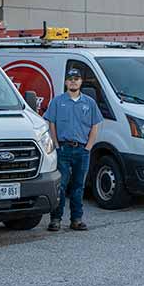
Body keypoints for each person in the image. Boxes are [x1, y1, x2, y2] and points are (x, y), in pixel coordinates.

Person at [43, 68, 101, 230]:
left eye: (77, 78)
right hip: (63, 149)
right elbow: (51, 123)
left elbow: (95, 125)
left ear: (81, 82)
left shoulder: (89, 103)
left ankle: (76, 219)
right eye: (70, 79)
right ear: (66, 82)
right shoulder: (57, 101)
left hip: (82, 150)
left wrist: (88, 147)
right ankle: (55, 220)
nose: (73, 81)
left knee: (78, 185)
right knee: (61, 185)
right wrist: (56, 144)